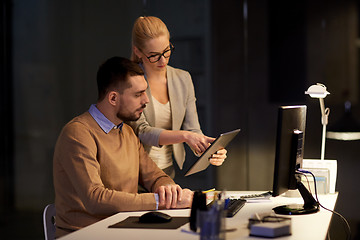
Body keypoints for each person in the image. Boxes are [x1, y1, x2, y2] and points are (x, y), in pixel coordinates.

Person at [53, 56, 193, 238]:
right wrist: (160, 201)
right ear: (113, 98)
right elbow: (95, 199)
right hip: (86, 234)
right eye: (138, 94)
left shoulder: (127, 132)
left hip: (123, 229)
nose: (146, 100)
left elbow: (155, 176)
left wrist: (168, 189)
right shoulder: (78, 134)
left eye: (145, 92)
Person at [129, 16, 227, 178]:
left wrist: (209, 149)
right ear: (138, 51)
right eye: (154, 55)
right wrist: (185, 136)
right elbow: (142, 131)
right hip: (135, 172)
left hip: (167, 171)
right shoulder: (130, 79)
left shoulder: (183, 78)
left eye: (167, 51)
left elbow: (193, 129)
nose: (163, 60)